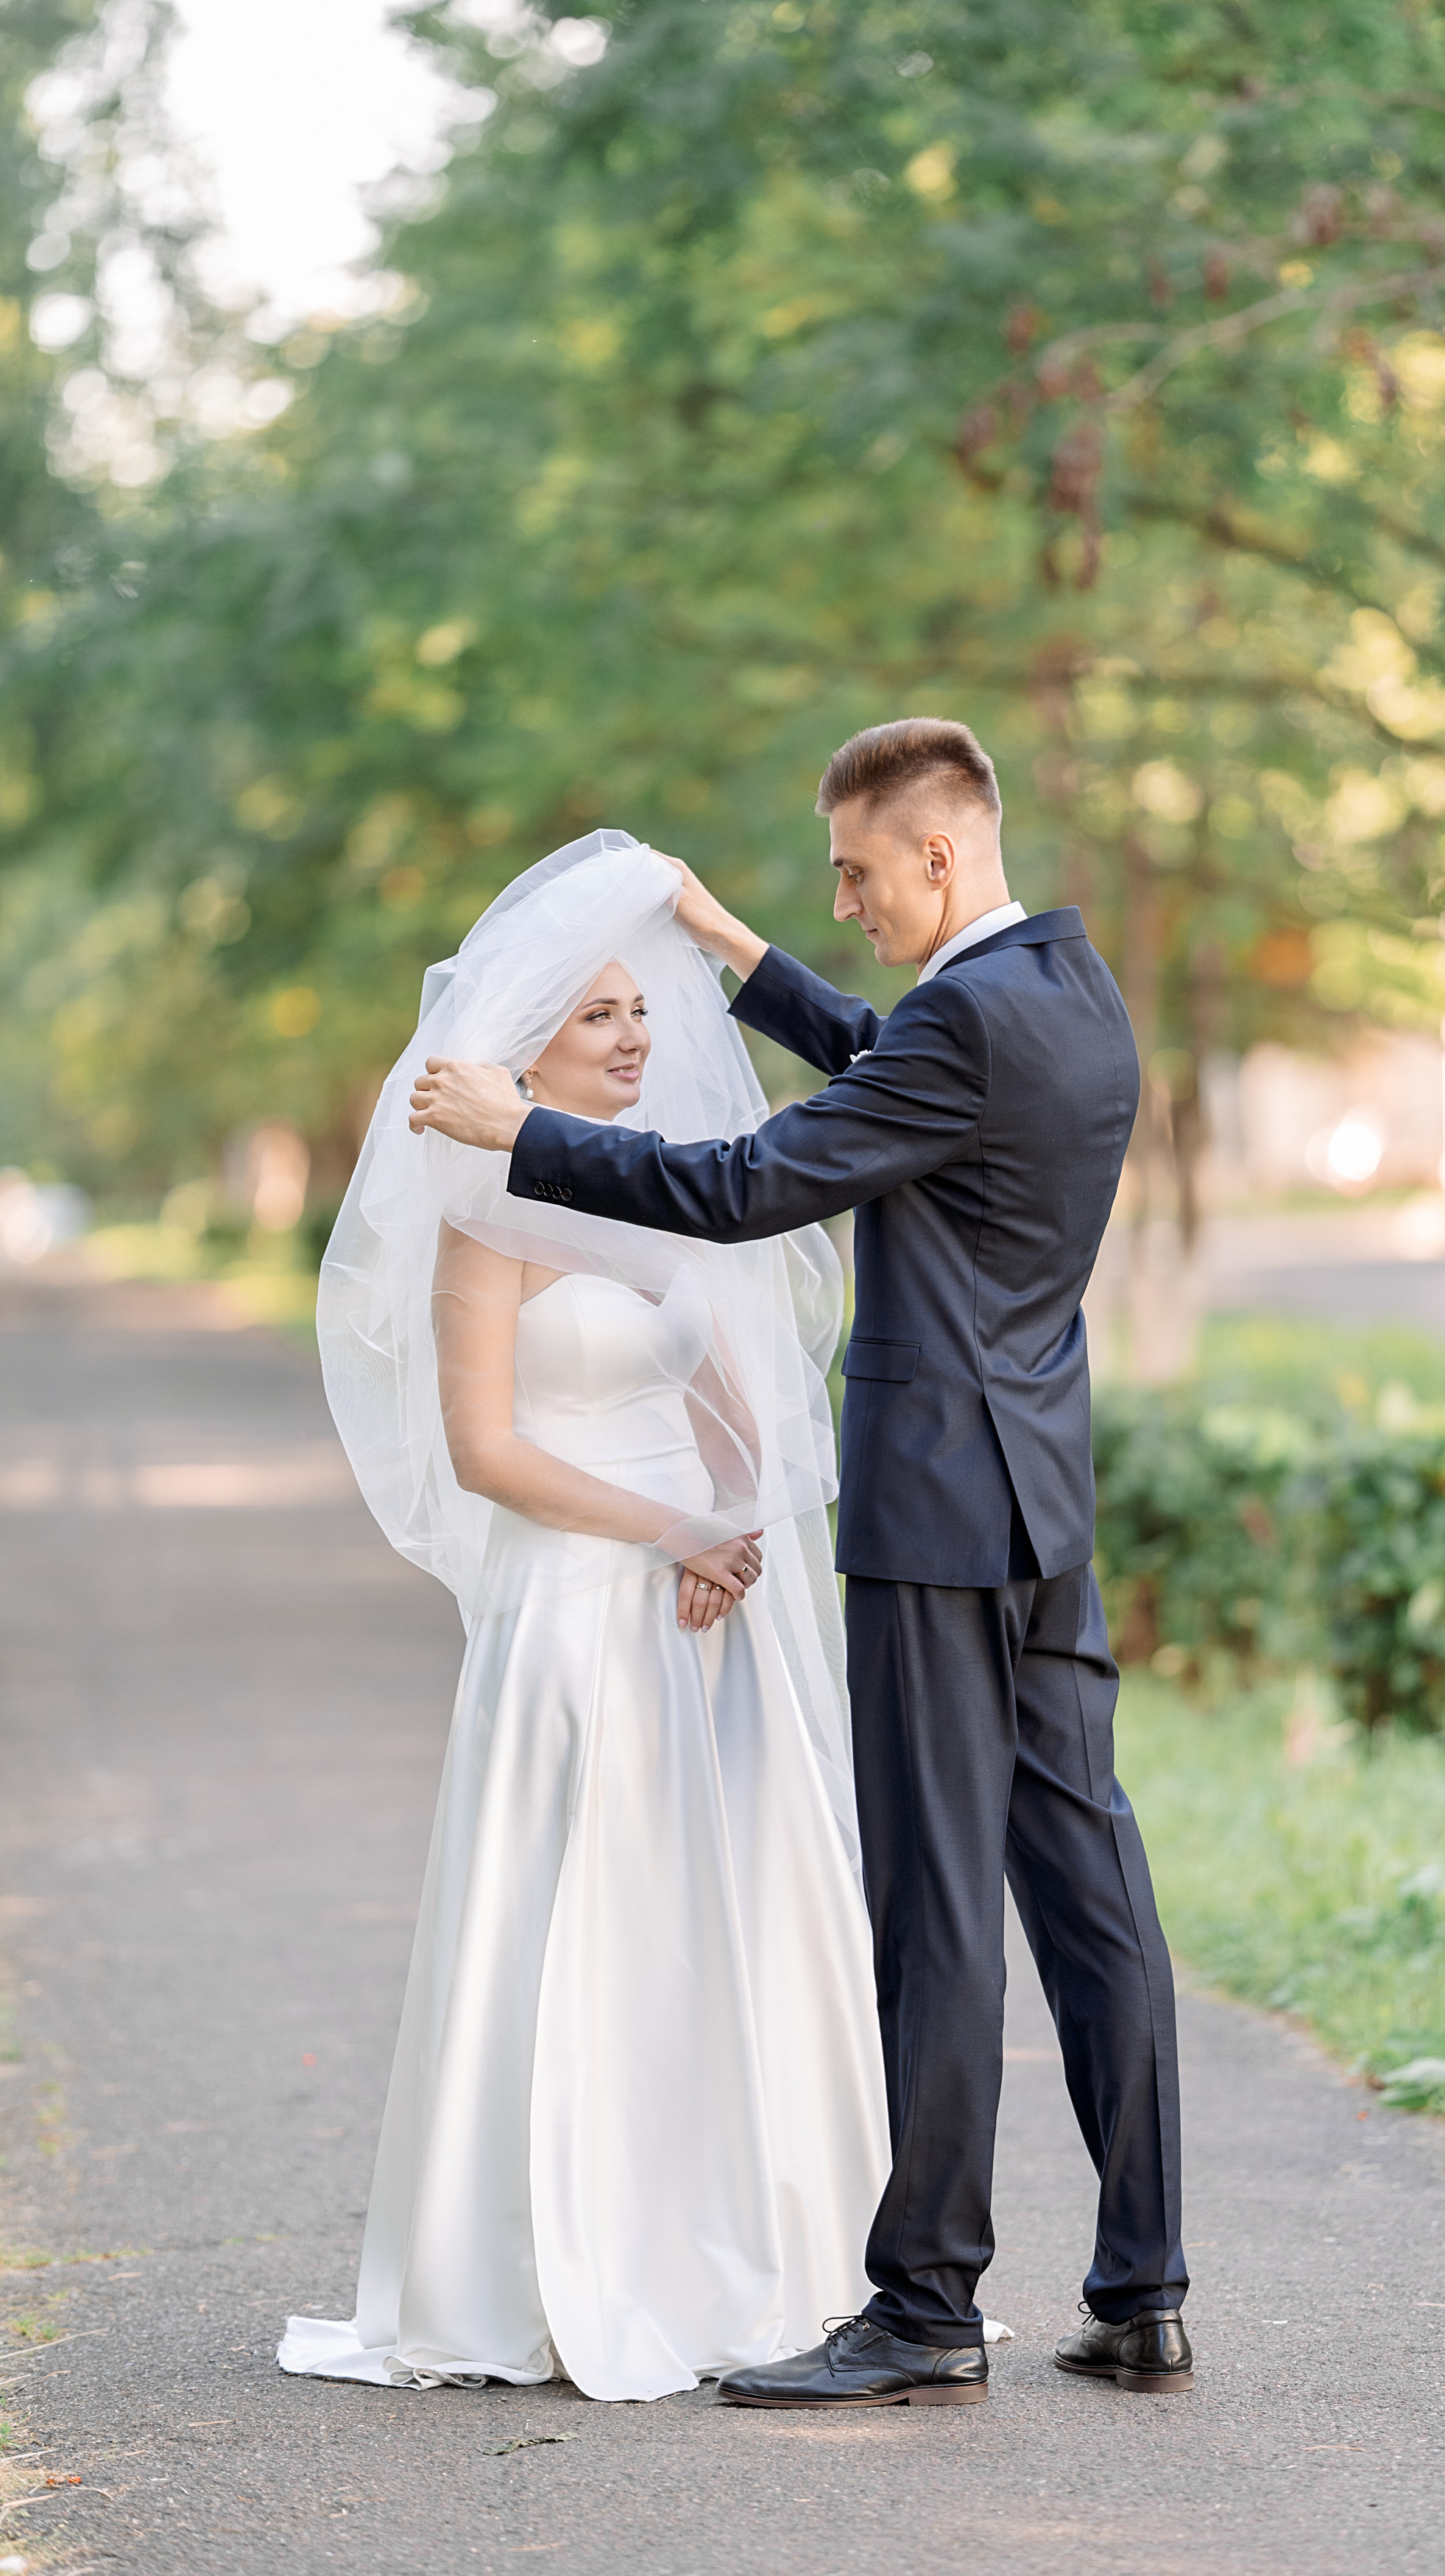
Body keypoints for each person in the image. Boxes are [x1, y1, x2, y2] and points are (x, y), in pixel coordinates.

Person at [410, 721, 1193, 2410]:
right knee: (1090, 1884)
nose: (838, 902)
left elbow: (759, 1177)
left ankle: (921, 2301)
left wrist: (518, 1132)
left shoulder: (968, 1021)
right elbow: (892, 1062)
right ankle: (1143, 2284)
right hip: (1046, 1504)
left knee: (934, 1906)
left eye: (852, 871)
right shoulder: (1069, 988)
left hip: (933, 1513)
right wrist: (724, 940)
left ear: (936, 855)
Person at [279, 832, 891, 2401]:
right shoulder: (486, 1219)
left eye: (642, 1009)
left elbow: (735, 1391)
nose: (639, 1035)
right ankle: (552, 2263)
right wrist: (675, 1524)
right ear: (528, 1039)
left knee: (736, 1914)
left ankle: (764, 2247)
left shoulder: (667, 1187)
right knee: (577, 1935)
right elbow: (489, 1451)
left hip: (706, 1596)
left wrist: (735, 1520)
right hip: (578, 1613)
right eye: (601, 1015)